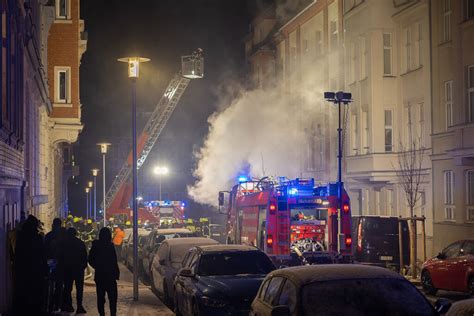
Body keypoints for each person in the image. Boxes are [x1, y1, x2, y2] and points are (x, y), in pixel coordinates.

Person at [13, 215, 47, 315]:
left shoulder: (20, 238)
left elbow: (17, 254)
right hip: (36, 272)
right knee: (36, 295)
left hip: (23, 272)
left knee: (24, 295)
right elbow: (42, 255)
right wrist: (45, 269)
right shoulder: (38, 238)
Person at [89, 228, 120, 316]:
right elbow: (114, 261)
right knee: (113, 298)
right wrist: (116, 273)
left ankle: (102, 314)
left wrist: (97, 267)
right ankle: (113, 314)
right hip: (110, 276)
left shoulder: (96, 246)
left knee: (100, 297)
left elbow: (90, 259)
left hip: (100, 276)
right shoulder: (110, 246)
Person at [59, 227, 88, 313]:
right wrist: (83, 266)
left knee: (68, 288)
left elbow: (61, 256)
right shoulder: (80, 243)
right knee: (79, 289)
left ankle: (69, 305)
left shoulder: (64, 243)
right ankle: (79, 306)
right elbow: (85, 257)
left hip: (67, 269)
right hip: (78, 269)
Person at [44, 218, 66, 312]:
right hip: (60, 263)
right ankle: (57, 305)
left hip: (50, 262)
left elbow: (44, 250)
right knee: (59, 285)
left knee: (51, 285)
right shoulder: (63, 236)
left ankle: (50, 305)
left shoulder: (48, 236)